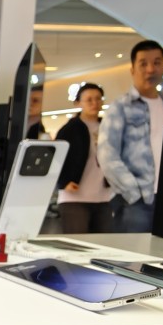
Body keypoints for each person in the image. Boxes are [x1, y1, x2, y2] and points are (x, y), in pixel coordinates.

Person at [97, 39, 163, 233]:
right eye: (143, 63)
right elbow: (107, 155)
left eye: (157, 62)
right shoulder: (120, 107)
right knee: (132, 260)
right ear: (133, 69)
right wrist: (134, 193)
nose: (151, 69)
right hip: (135, 201)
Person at [54, 83, 112, 233]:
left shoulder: (107, 127)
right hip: (74, 198)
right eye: (89, 99)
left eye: (98, 99)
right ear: (78, 103)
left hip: (104, 196)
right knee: (77, 244)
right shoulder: (70, 129)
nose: (95, 103)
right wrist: (63, 182)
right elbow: (56, 158)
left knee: (104, 245)